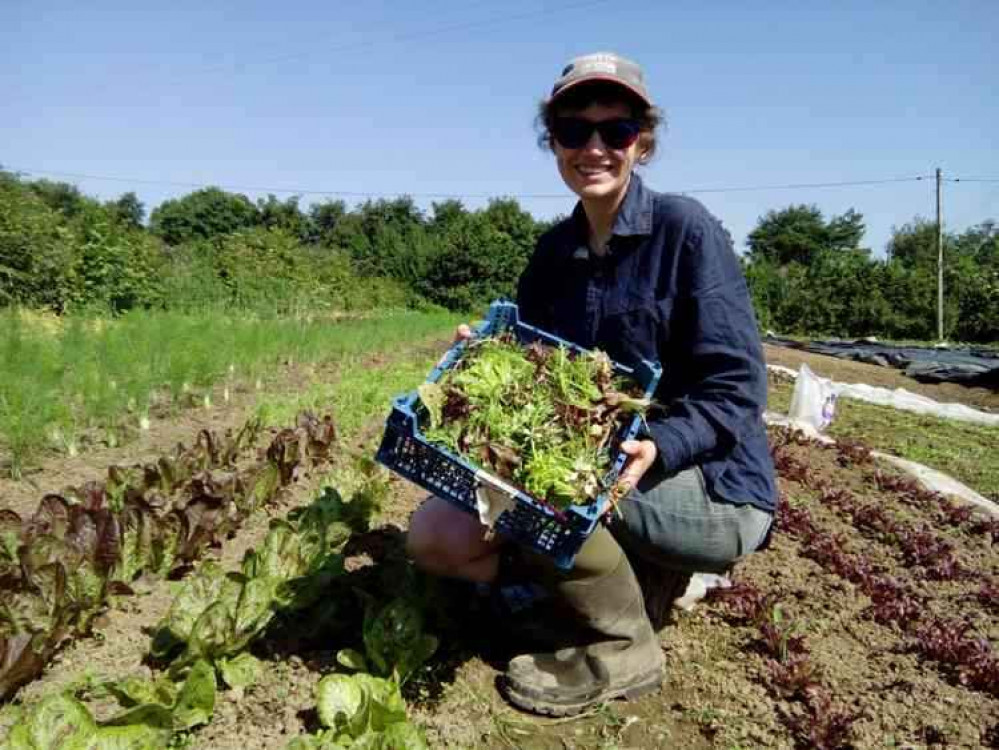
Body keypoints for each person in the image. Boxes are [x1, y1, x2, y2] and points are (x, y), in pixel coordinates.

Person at [406, 51, 777, 717]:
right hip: (600, 467)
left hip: (711, 487)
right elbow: (534, 379)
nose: (594, 147)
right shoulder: (553, 254)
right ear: (553, 140)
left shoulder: (683, 232)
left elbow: (738, 386)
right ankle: (615, 579)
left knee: (552, 488)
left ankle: (625, 643)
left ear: (644, 140)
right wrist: (478, 369)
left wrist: (658, 444)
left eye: (617, 130)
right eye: (574, 131)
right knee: (438, 536)